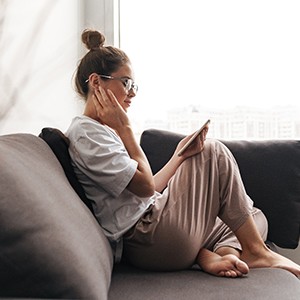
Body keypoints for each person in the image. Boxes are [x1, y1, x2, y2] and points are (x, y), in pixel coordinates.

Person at [66, 29, 300, 278]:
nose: (133, 92)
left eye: (134, 85)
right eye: (126, 83)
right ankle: (255, 251)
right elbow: (146, 188)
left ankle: (221, 254)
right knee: (213, 152)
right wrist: (125, 128)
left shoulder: (102, 131)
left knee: (252, 216)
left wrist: (179, 156)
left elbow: (149, 188)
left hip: (156, 228)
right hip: (146, 239)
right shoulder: (87, 135)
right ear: (96, 82)